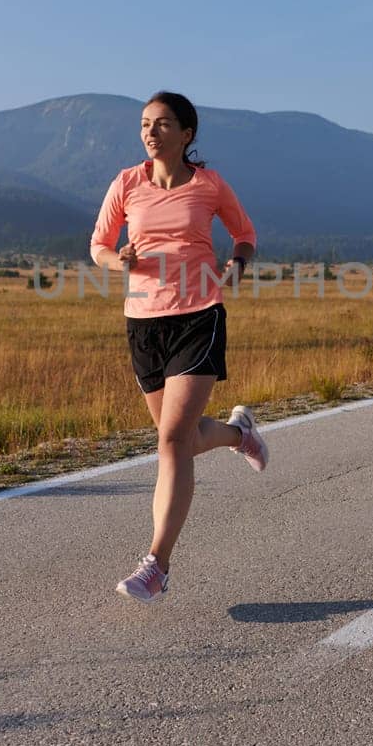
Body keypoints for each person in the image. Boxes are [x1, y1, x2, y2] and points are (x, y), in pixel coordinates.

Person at [90, 91, 267, 603]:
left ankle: (156, 565)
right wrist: (115, 258)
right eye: (146, 124)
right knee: (182, 440)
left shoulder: (209, 185)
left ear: (187, 134)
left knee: (171, 441)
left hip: (198, 316)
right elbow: (98, 245)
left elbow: (245, 232)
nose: (151, 132)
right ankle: (239, 435)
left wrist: (237, 263)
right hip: (144, 324)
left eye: (163, 124)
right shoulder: (127, 182)